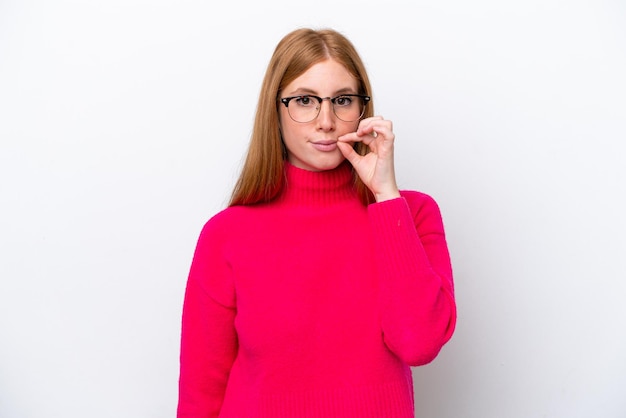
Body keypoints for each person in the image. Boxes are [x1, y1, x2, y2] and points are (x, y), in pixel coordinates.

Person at [177, 27, 457, 418]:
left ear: (363, 109)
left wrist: (386, 196)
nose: (326, 121)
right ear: (275, 109)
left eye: (342, 100)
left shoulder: (411, 213)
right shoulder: (226, 234)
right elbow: (200, 393)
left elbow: (418, 343)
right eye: (305, 100)